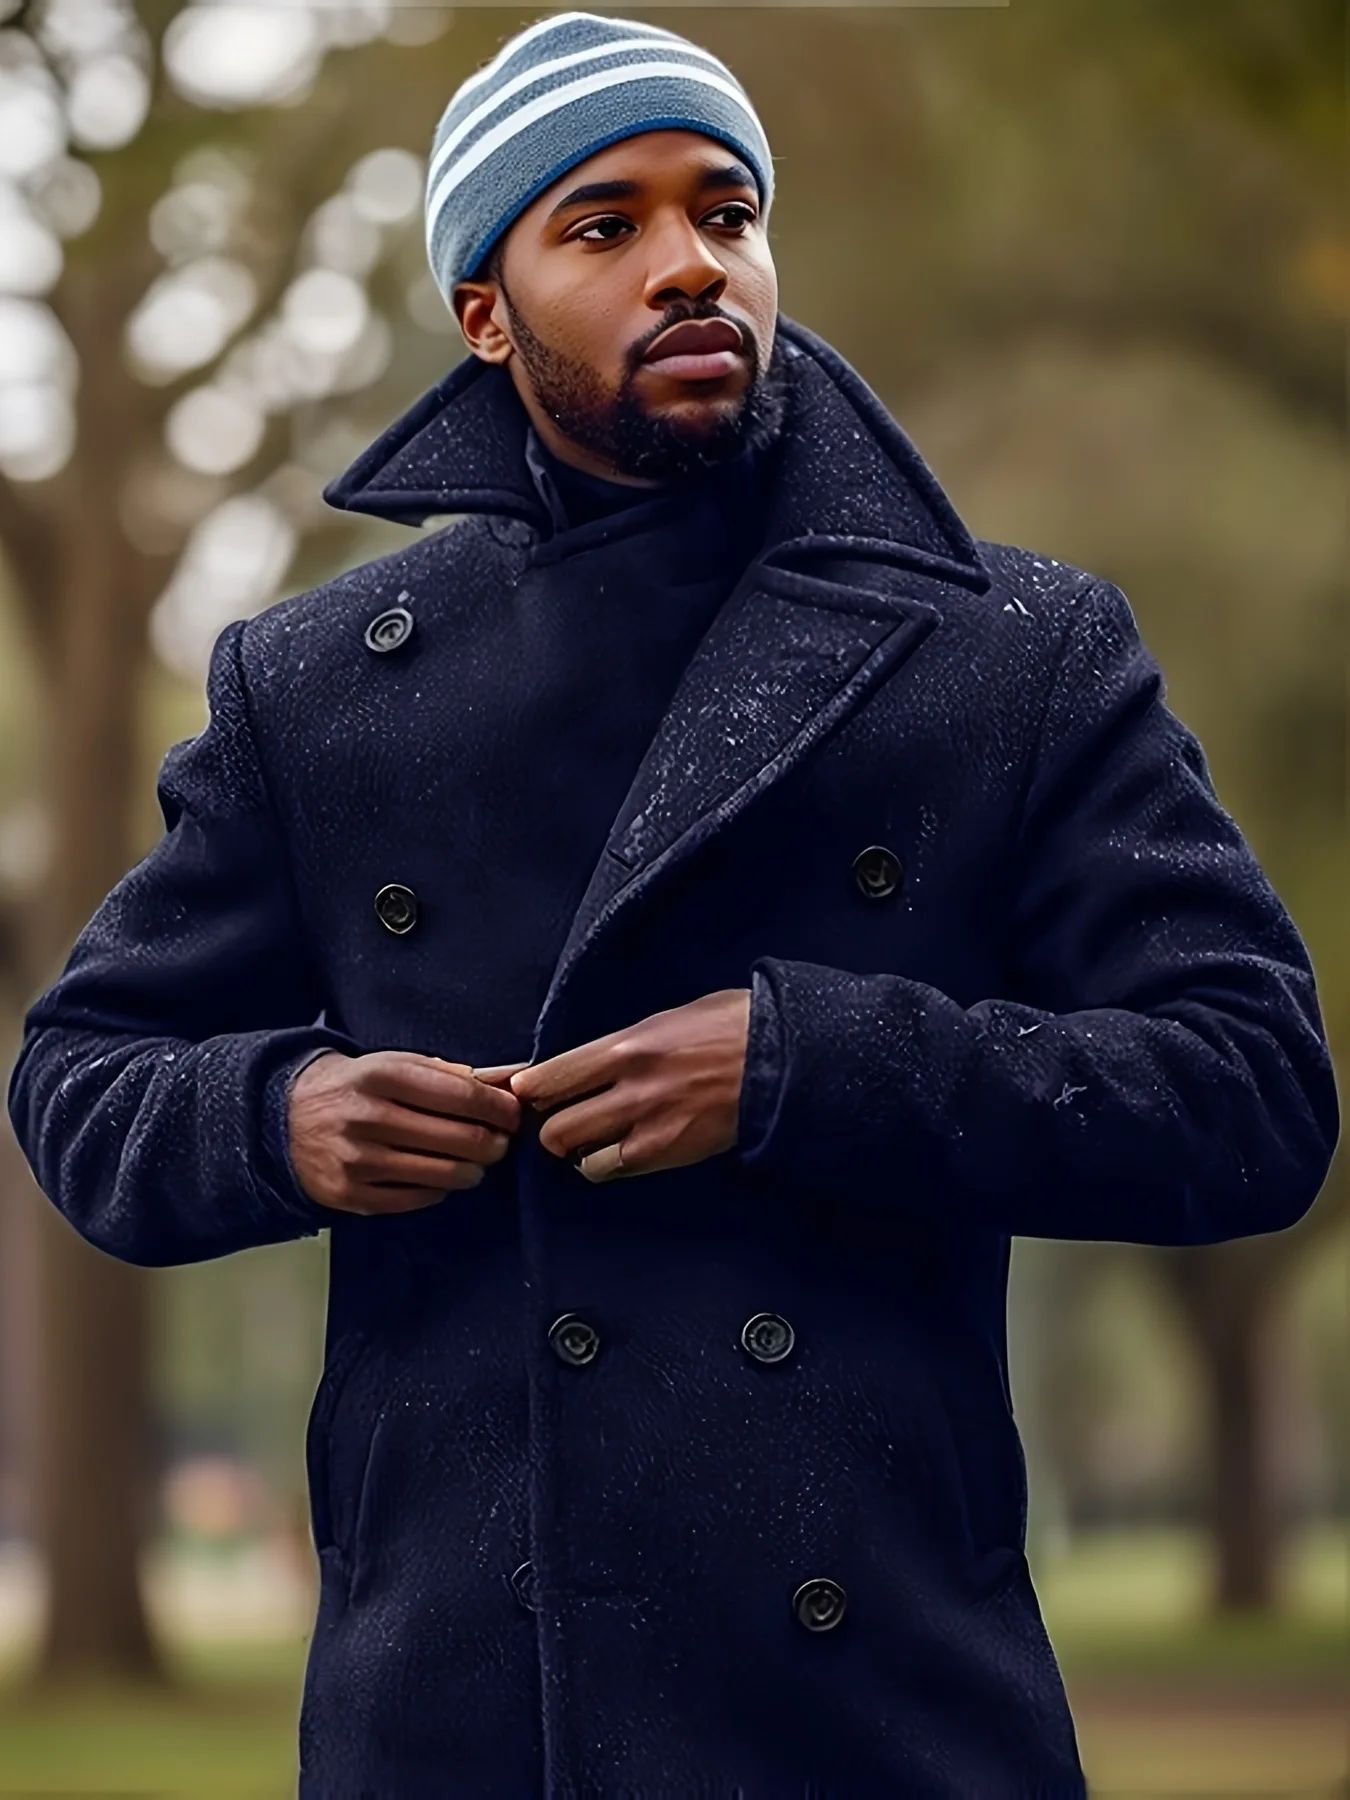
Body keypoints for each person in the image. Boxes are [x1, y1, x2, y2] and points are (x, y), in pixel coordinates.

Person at [8, 12, 1339, 1796]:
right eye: (604, 225)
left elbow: (1250, 1094)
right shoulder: (316, 692)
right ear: (485, 315)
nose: (691, 262)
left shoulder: (1008, 653)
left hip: (879, 1719)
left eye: (725, 210)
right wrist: (276, 1115)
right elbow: (81, 1073)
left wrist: (803, 1067)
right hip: (461, 1721)